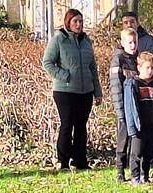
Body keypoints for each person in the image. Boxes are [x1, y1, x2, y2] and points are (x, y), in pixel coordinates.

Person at [42, 9, 103, 171]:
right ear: (68, 22)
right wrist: (64, 75)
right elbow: (47, 63)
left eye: (81, 21)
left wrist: (97, 91)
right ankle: (62, 161)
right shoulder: (59, 39)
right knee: (67, 125)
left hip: (85, 91)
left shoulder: (86, 41)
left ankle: (80, 160)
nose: (78, 24)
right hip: (65, 91)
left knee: (81, 126)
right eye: (75, 21)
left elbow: (92, 67)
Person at [124, 51, 153, 185]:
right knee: (136, 153)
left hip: (152, 124)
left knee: (149, 153)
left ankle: (144, 175)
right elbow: (130, 107)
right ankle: (135, 176)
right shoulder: (133, 83)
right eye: (147, 67)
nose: (150, 70)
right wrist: (132, 127)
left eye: (152, 67)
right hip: (139, 125)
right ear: (139, 67)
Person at [110, 27, 139, 182]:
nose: (133, 45)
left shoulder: (137, 60)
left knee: (135, 140)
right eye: (129, 42)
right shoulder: (118, 60)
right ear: (122, 43)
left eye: (135, 42)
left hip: (135, 108)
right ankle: (120, 171)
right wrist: (120, 111)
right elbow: (116, 88)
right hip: (123, 108)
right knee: (122, 141)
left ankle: (134, 167)